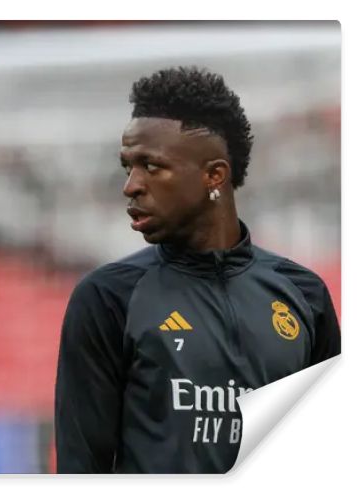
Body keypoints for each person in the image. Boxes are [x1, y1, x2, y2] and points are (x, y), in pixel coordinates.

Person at [54, 66, 340, 474]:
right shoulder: (107, 298)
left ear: (214, 176)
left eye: (151, 167)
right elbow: (79, 470)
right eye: (127, 166)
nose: (131, 185)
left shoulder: (303, 295)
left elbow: (327, 459)